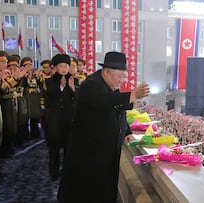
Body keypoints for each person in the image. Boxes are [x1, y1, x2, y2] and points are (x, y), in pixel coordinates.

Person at [57, 51, 150, 203]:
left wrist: (127, 131)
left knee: (103, 190)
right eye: (120, 76)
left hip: (104, 151)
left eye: (124, 76)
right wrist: (133, 95)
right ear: (107, 72)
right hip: (89, 153)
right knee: (86, 193)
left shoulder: (110, 85)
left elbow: (118, 110)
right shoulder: (91, 85)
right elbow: (106, 101)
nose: (122, 80)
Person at [43, 54, 75, 181]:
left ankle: (66, 171)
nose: (64, 69)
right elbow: (50, 97)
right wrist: (61, 87)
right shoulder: (48, 81)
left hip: (68, 120)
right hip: (54, 120)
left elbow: (77, 100)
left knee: (69, 148)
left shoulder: (74, 80)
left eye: (66, 66)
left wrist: (72, 89)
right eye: (61, 66)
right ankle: (53, 172)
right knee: (54, 148)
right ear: (55, 67)